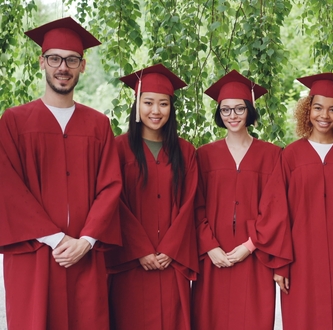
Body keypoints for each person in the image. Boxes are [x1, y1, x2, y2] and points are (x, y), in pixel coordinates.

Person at [0, 17, 122, 329]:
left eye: (71, 60)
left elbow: (110, 186)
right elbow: (7, 187)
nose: (62, 67)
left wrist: (87, 240)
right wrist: (55, 238)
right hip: (35, 252)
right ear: (42, 62)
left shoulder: (98, 125)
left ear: (82, 66)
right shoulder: (14, 122)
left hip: (86, 254)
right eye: (55, 58)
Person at [191, 70, 292, 330]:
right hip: (213, 256)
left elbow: (276, 209)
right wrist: (210, 247)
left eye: (238, 109)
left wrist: (249, 245)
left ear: (250, 109)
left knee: (251, 320)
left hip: (254, 255)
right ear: (219, 113)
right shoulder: (204, 155)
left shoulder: (272, 155)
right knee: (210, 319)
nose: (232, 116)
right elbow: (194, 206)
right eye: (225, 110)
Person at [106, 64, 199, 330]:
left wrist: (169, 249)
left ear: (172, 108)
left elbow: (189, 202)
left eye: (163, 104)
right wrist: (141, 249)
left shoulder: (186, 151)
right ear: (137, 105)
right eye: (148, 103)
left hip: (172, 263)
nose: (156, 111)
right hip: (130, 264)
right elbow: (114, 202)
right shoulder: (117, 148)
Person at [274, 73, 333, 329]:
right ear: (307, 109)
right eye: (318, 108)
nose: (325, 116)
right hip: (300, 261)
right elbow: (278, 213)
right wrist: (281, 263)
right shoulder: (290, 156)